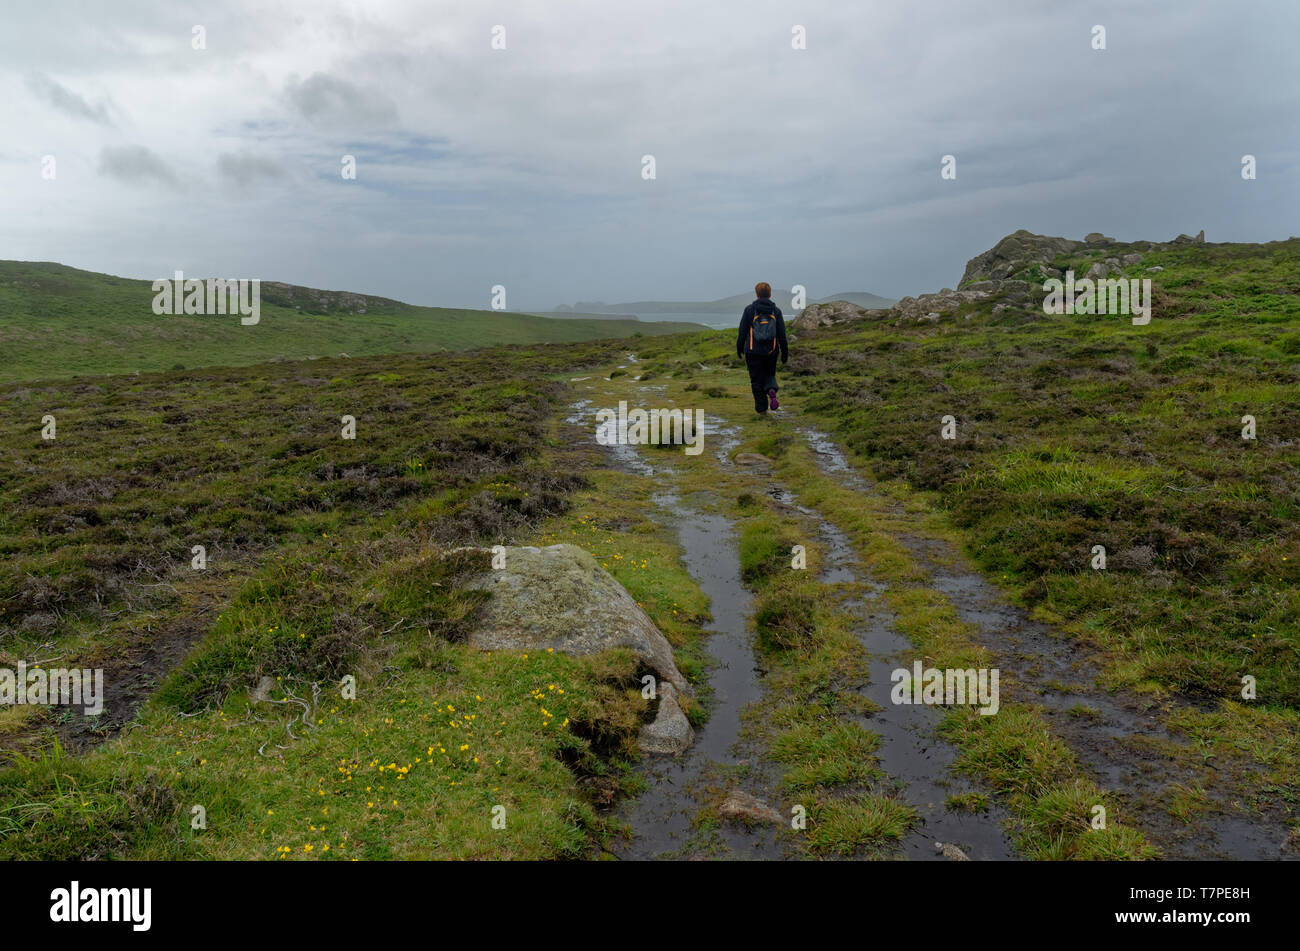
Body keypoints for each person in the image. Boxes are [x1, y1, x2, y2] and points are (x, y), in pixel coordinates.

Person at [736, 282, 788, 414]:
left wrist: (739, 347)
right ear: (769, 294)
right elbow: (781, 334)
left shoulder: (749, 310)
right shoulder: (776, 311)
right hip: (772, 351)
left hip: (753, 351)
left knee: (756, 380)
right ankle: (771, 389)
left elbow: (742, 331)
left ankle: (762, 409)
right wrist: (784, 352)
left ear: (757, 294)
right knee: (769, 374)